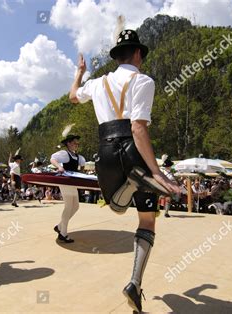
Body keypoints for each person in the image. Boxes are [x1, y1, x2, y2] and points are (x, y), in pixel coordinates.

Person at [69, 29, 179, 312]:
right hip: (134, 153)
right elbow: (137, 127)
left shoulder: (98, 83)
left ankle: (130, 184)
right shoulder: (143, 81)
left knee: (116, 207)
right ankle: (134, 282)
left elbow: (72, 97)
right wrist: (156, 172)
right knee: (146, 222)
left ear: (117, 57)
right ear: (139, 54)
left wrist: (80, 72)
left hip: (105, 152)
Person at [50, 134, 86, 243]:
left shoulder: (78, 156)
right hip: (65, 182)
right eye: (75, 143)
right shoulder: (65, 154)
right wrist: (59, 167)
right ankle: (63, 233)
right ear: (68, 143)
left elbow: (82, 164)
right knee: (69, 206)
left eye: (77, 143)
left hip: (72, 183)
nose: (77, 145)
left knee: (76, 206)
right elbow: (52, 158)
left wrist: (81, 172)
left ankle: (60, 226)